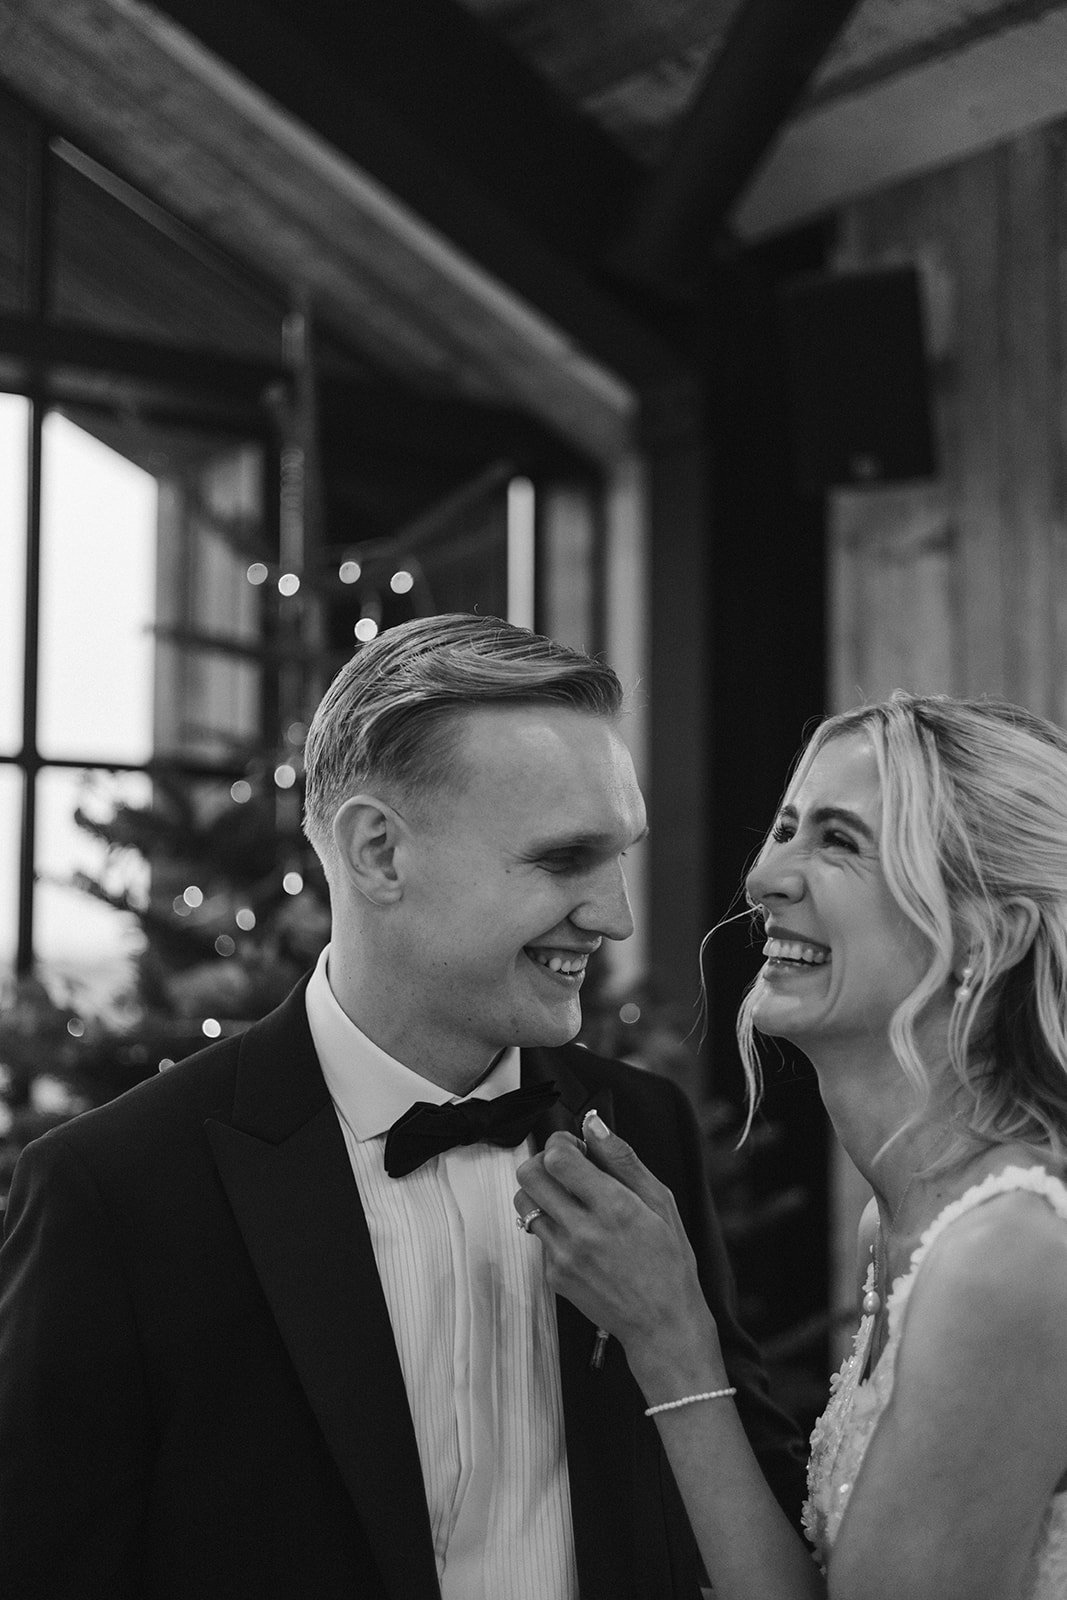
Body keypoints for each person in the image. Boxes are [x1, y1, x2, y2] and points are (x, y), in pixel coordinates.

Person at [0, 612, 804, 1600]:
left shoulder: (643, 1132)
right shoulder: (114, 1192)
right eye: (562, 860)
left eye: (619, 857)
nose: (614, 915)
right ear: (379, 851)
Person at [516, 691, 1067, 1600]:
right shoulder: (898, 1226)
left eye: (839, 841)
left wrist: (671, 1335)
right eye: (785, 827)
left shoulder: (1007, 1253)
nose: (766, 877)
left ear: (983, 932)